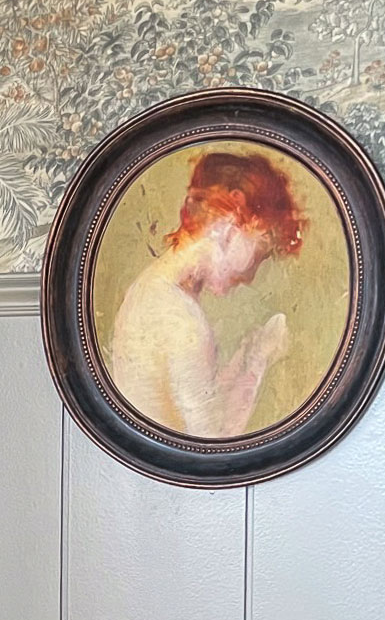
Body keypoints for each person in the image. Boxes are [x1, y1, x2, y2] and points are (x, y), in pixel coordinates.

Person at [109, 148, 304, 438]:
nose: (250, 277)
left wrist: (245, 356)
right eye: (259, 253)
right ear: (233, 222)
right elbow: (212, 447)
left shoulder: (152, 288)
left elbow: (194, 407)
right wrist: (256, 364)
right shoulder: (180, 319)